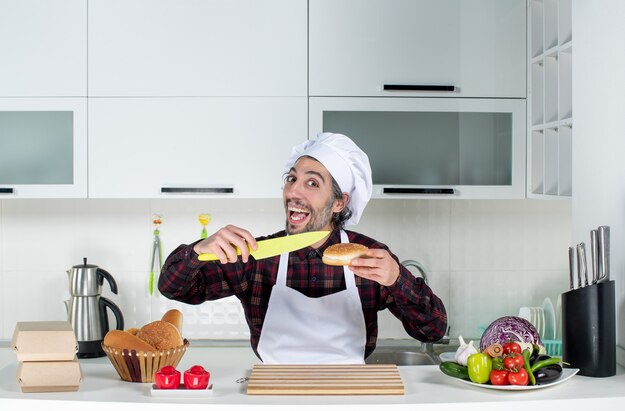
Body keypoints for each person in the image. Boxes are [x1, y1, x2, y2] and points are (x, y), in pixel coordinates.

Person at [158, 132, 447, 364]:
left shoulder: (368, 256)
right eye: (291, 179)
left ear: (339, 202)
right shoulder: (259, 255)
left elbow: (432, 330)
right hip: (273, 394)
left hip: (350, 395)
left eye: (311, 183)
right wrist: (197, 251)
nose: (293, 191)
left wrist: (398, 279)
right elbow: (175, 288)